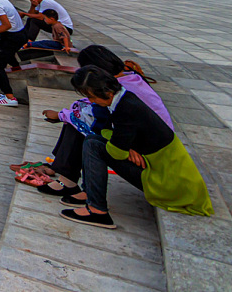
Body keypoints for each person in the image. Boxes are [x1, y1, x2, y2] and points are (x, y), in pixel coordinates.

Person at [55, 66, 211, 228]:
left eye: (92, 97)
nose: (92, 102)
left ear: (107, 92)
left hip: (169, 183)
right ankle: (89, 194)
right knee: (94, 138)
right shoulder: (123, 98)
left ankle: (97, 211)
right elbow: (106, 131)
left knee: (93, 145)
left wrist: (123, 150)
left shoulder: (126, 110)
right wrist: (126, 149)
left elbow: (115, 152)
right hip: (161, 172)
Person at [34, 46, 172, 198]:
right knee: (79, 119)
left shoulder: (123, 91)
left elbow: (91, 115)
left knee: (84, 128)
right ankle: (66, 177)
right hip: (141, 147)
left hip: (148, 160)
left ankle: (90, 197)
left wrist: (61, 116)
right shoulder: (129, 79)